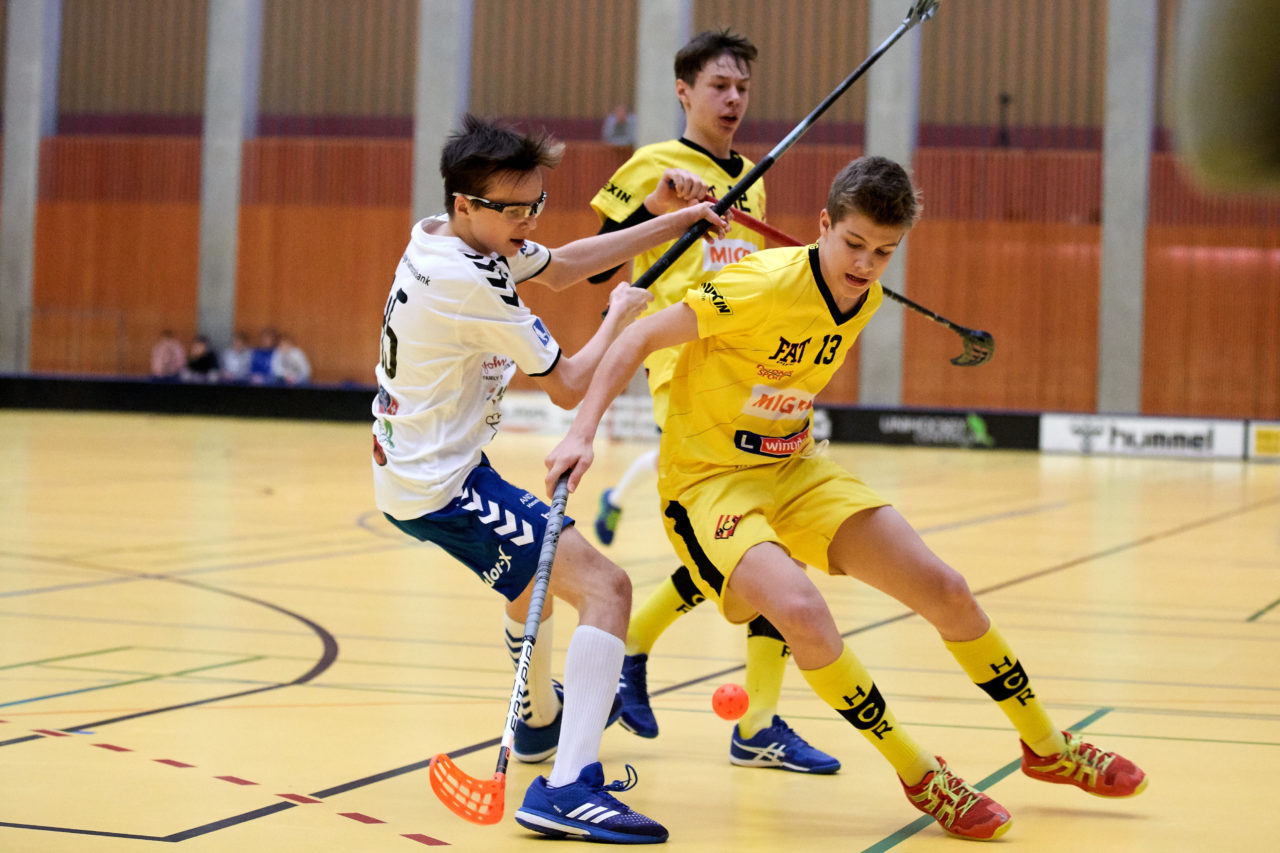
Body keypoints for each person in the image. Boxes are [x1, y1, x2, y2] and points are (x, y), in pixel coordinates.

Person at [545, 155, 1148, 841]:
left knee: (947, 589)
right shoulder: (761, 283)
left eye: (884, 252)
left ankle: (1046, 745)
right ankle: (921, 772)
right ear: (823, 225)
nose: (865, 264)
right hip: (709, 482)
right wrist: (582, 432)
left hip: (795, 467)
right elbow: (642, 332)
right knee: (801, 608)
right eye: (853, 244)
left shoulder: (866, 296)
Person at [371, 114, 727, 844]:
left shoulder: (444, 230)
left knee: (535, 579)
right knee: (607, 587)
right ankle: (568, 786)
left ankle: (536, 724)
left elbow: (562, 264)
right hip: (443, 488)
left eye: (536, 203)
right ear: (468, 202)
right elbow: (568, 384)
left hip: (431, 466)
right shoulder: (465, 279)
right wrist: (620, 319)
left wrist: (673, 219)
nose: (528, 221)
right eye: (515, 209)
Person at [585, 29, 838, 773]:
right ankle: (641, 649)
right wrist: (658, 207)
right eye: (719, 86)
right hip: (684, 375)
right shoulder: (653, 166)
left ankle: (754, 721)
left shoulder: (748, 180)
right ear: (684, 92)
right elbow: (601, 263)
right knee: (740, 546)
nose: (733, 99)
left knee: (776, 544)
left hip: (755, 376)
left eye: (743, 89)